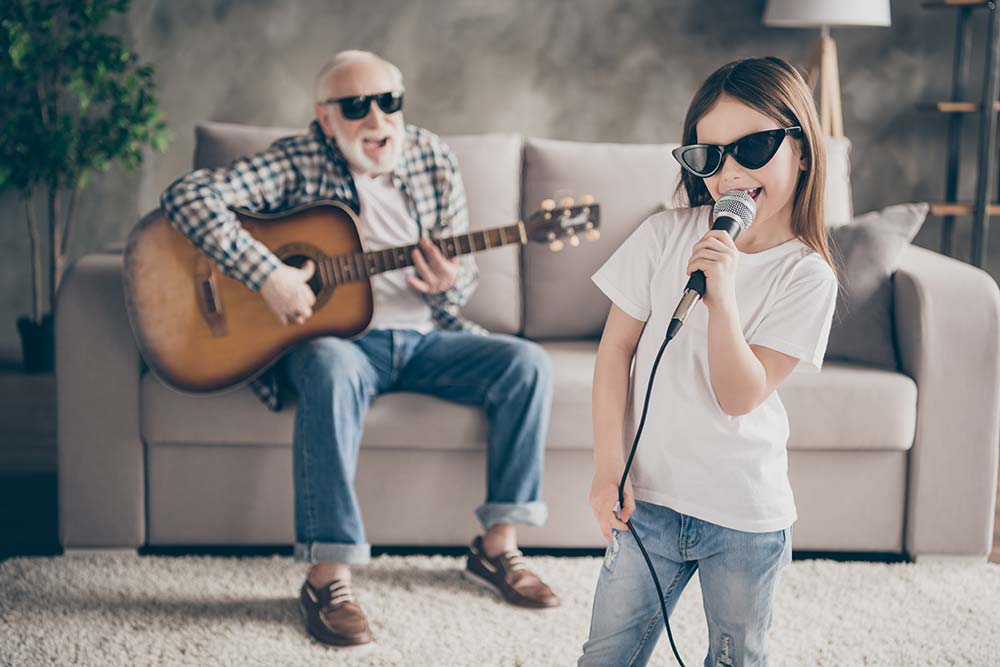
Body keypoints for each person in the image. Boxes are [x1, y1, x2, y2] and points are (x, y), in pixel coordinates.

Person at [160, 50, 559, 649]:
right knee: (325, 361)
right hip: (342, 345)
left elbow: (464, 279)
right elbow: (188, 197)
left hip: (427, 340)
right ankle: (329, 578)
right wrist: (269, 274)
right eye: (356, 106)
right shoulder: (297, 160)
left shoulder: (432, 157)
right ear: (326, 119)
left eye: (389, 102)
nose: (377, 118)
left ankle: (498, 547)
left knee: (527, 363)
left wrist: (451, 282)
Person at [579, 56, 839, 667]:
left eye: (753, 148)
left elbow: (739, 395)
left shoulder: (807, 275)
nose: (730, 173)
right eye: (708, 156)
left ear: (801, 150)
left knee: (735, 658)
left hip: (745, 518)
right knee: (606, 653)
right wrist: (606, 466)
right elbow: (615, 352)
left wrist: (721, 297)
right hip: (650, 504)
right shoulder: (664, 237)